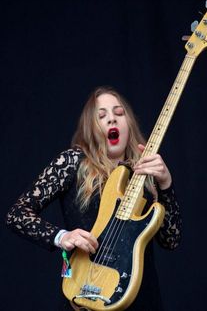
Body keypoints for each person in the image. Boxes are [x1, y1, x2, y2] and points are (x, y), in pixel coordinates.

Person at [6, 86, 182, 311]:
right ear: (91, 127)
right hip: (87, 290)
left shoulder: (147, 171)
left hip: (140, 298)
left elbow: (171, 240)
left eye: (119, 114)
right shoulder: (72, 162)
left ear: (129, 124)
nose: (112, 120)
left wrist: (166, 183)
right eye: (102, 116)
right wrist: (61, 236)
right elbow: (17, 214)